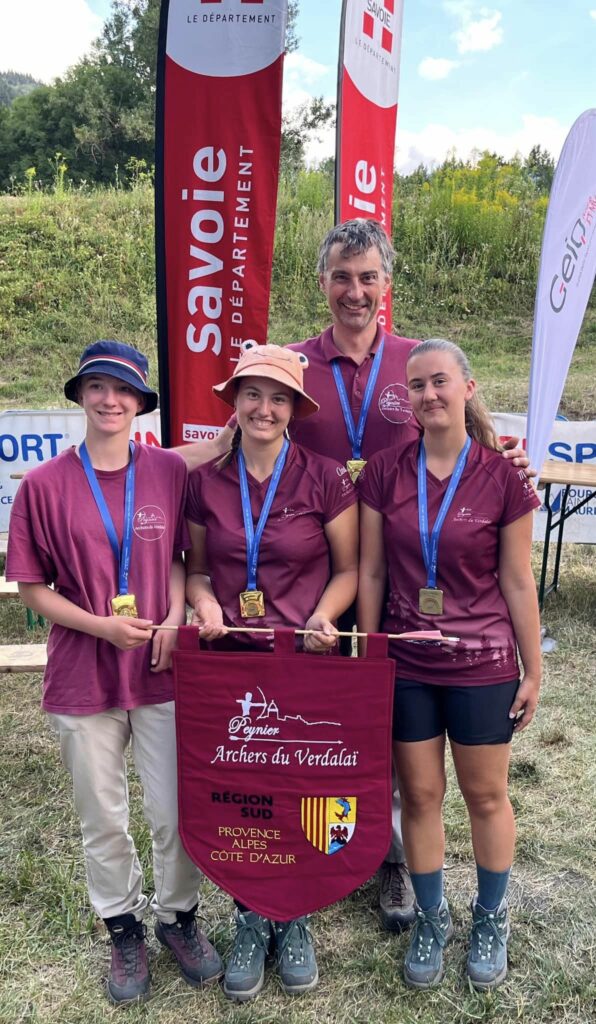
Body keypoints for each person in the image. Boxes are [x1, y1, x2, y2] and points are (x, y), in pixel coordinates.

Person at [177, 217, 533, 933]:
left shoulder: (414, 362)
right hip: (318, 582)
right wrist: (150, 466)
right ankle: (320, 856)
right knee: (332, 731)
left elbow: (472, 424)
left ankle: (393, 862)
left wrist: (506, 458)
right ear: (323, 283)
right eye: (342, 277)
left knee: (403, 750)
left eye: (368, 277)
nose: (355, 290)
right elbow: (234, 435)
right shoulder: (294, 364)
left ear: (386, 284)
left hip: (403, 575)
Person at [5, 340, 223, 1005]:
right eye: (97, 387)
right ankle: (123, 927)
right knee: (102, 813)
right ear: (79, 396)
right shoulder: (44, 485)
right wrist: (100, 626)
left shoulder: (165, 472)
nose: (109, 399)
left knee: (174, 810)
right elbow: (32, 588)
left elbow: (187, 559)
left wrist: (170, 618)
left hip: (160, 669)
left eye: (122, 390)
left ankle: (179, 919)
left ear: (139, 403)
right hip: (83, 675)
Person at [357, 338, 542, 991]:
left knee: (487, 795)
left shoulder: (503, 475)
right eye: (416, 386)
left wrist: (533, 667)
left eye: (439, 382)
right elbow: (372, 569)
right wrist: (372, 655)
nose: (428, 394)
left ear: (467, 387)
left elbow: (518, 581)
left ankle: (490, 918)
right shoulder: (384, 471)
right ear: (405, 399)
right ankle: (433, 918)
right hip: (407, 661)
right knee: (425, 796)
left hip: (484, 663)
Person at [184, 341, 358, 1002]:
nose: (263, 407)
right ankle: (252, 918)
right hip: (231, 667)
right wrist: (202, 603)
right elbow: (198, 571)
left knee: (304, 793)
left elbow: (347, 572)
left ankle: (296, 916)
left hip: (305, 662)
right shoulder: (206, 482)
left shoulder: (325, 477)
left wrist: (324, 615)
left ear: (293, 409)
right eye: (251, 394)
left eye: (277, 397)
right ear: (234, 403)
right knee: (244, 798)